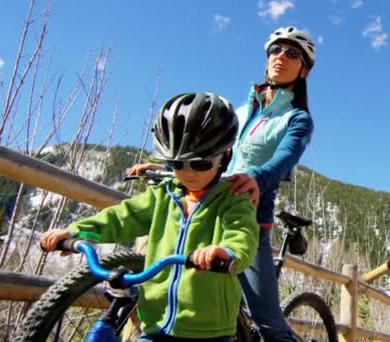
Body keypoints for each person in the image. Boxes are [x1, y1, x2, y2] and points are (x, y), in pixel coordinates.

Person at [126, 26, 315, 341]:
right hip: (205, 208)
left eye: (292, 53)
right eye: (275, 50)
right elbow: (208, 150)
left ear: (304, 69)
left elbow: (284, 158)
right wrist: (168, 163)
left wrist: (257, 177)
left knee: (266, 320)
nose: (280, 57)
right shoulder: (240, 113)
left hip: (248, 218)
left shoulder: (297, 119)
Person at [41, 92, 259, 341]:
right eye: (177, 163)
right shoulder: (163, 196)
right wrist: (77, 232)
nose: (188, 173)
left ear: (225, 156)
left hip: (209, 331)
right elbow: (122, 217)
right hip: (155, 325)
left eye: (200, 163)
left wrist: (227, 252)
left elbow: (243, 234)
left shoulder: (233, 199)